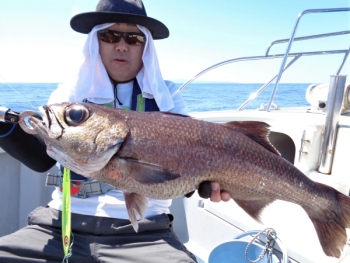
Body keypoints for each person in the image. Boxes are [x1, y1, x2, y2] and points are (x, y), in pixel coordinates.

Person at [0, 0, 230, 262]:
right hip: (60, 222)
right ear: (95, 42)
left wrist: (204, 181)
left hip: (145, 231)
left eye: (133, 38)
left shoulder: (167, 97)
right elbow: (42, 158)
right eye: (109, 35)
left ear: (145, 46)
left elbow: (182, 165)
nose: (121, 45)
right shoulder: (69, 96)